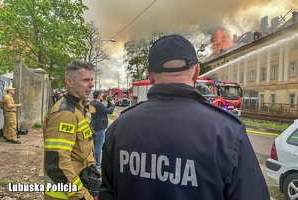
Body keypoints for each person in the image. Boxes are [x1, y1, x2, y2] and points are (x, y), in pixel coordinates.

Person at [99, 35, 270, 200]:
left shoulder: (120, 126)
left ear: (149, 75)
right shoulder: (227, 131)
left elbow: (107, 192)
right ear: (196, 72)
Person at [43, 60, 100, 200]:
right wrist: (83, 196)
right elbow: (57, 166)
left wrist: (91, 168)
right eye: (86, 80)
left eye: (92, 80)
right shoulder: (65, 113)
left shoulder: (78, 107)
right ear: (69, 82)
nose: (92, 84)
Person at [90, 90, 115, 168]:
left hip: (94, 125)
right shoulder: (99, 104)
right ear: (99, 96)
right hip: (100, 126)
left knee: (95, 145)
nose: (102, 96)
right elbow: (109, 112)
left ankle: (94, 160)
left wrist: (108, 104)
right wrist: (113, 105)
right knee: (99, 145)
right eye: (101, 95)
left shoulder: (92, 103)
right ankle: (98, 163)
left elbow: (104, 111)